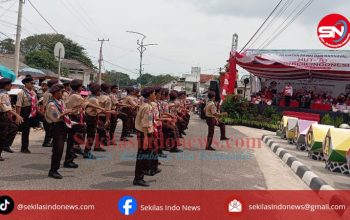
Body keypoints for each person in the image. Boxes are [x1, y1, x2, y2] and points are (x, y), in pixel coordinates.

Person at [46, 84, 74, 179]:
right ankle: (53, 170)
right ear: (56, 93)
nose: (63, 93)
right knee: (58, 149)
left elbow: (63, 111)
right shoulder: (51, 104)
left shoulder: (61, 101)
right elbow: (55, 117)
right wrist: (65, 113)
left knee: (60, 149)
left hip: (62, 126)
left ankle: (55, 169)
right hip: (56, 126)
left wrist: (68, 111)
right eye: (61, 92)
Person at [133, 87, 158, 187]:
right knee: (142, 156)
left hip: (147, 132)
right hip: (145, 134)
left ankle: (144, 173)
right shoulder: (147, 107)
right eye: (154, 93)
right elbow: (145, 124)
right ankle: (138, 178)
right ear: (149, 95)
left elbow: (150, 121)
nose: (155, 95)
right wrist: (146, 139)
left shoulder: (148, 105)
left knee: (145, 155)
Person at [0, 78, 23, 160]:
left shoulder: (3, 93)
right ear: (6, 86)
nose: (11, 86)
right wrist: (17, 115)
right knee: (3, 134)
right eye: (10, 85)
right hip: (2, 116)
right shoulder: (3, 94)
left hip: (4, 115)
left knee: (13, 128)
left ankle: (5, 145)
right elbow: (5, 107)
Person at [16, 76, 37, 153]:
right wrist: (18, 116)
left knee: (29, 129)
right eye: (31, 83)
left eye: (33, 83)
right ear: (26, 83)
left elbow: (36, 103)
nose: (33, 85)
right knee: (25, 130)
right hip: (25, 111)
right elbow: (18, 105)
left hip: (32, 111)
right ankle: (24, 147)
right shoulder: (21, 93)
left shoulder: (33, 92)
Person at [41, 79, 59, 147]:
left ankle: (49, 141)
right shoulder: (47, 93)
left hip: (52, 111)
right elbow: (45, 104)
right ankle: (46, 142)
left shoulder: (51, 93)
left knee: (51, 128)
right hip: (48, 112)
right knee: (48, 128)